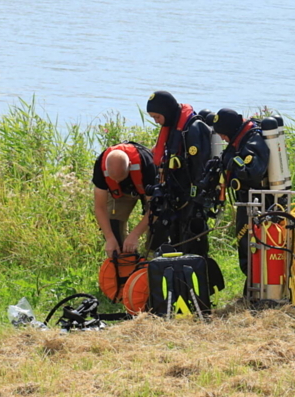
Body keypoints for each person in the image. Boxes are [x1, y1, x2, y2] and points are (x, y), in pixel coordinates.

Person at [145, 91, 213, 257]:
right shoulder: (173, 127)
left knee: (191, 242)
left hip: (190, 198)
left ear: (166, 111)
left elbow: (200, 167)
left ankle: (198, 269)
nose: (156, 121)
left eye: (157, 117)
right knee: (175, 242)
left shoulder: (193, 128)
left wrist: (196, 199)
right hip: (175, 196)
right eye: (153, 118)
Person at [211, 109, 270, 277]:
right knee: (245, 242)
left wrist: (234, 162)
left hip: (259, 201)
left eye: (223, 135)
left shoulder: (253, 140)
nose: (223, 138)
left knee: (249, 242)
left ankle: (256, 281)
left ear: (230, 130)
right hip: (248, 199)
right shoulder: (242, 137)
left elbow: (253, 172)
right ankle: (252, 282)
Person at [92, 142, 157, 258]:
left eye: (120, 178)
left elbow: (156, 208)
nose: (117, 182)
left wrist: (135, 235)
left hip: (145, 189)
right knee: (113, 225)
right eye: (113, 179)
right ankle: (125, 260)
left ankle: (152, 257)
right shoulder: (100, 165)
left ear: (130, 166)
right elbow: (100, 207)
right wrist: (109, 238)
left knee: (158, 225)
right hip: (120, 194)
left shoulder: (148, 165)